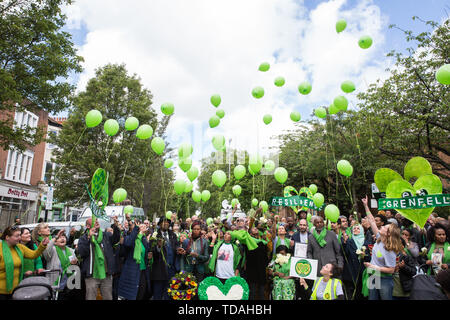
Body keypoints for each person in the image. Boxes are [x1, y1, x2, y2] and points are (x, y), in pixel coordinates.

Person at [361, 196, 403, 300]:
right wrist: (366, 205)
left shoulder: (390, 250)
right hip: (373, 275)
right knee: (372, 298)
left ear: (388, 234)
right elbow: (371, 221)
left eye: (385, 227)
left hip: (384, 279)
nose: (382, 227)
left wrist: (374, 267)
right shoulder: (379, 238)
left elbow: (391, 269)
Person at [0, 226, 49, 299]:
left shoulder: (20, 247)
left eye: (20, 235)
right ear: (7, 237)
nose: (19, 238)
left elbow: (34, 254)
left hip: (15, 290)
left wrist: (43, 245)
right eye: (17, 236)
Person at [77, 217, 121, 300]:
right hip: (92, 275)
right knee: (91, 297)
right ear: (88, 226)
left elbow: (116, 239)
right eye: (93, 221)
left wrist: (115, 225)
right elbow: (82, 253)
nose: (96, 221)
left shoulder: (106, 235)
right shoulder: (83, 238)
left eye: (97, 220)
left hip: (106, 274)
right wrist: (89, 238)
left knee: (108, 297)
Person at [118, 221, 151, 300]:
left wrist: (149, 255)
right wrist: (137, 230)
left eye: (143, 227)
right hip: (132, 271)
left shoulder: (143, 239)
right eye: (140, 226)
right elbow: (128, 243)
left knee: (142, 292)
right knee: (132, 295)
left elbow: (146, 251)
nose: (142, 228)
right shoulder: (129, 238)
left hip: (142, 270)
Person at [42, 229, 78, 300]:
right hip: (55, 283)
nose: (62, 238)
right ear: (55, 242)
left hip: (67, 284)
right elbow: (45, 252)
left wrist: (75, 263)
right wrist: (55, 237)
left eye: (64, 237)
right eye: (60, 237)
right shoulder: (53, 250)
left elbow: (75, 265)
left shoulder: (70, 250)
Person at [150, 217, 178, 300]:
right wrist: (158, 247)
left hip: (171, 270)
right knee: (157, 294)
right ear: (159, 224)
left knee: (169, 294)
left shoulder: (173, 235)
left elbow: (175, 246)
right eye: (163, 222)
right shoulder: (155, 235)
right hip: (159, 270)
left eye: (167, 222)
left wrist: (178, 250)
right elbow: (151, 250)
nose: (165, 223)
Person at [341, 224, 365, 300]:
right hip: (351, 271)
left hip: (362, 270)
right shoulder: (349, 241)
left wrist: (364, 255)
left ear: (362, 231)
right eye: (354, 228)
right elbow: (345, 253)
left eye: (358, 228)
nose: (356, 230)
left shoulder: (365, 241)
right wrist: (344, 242)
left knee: (360, 291)